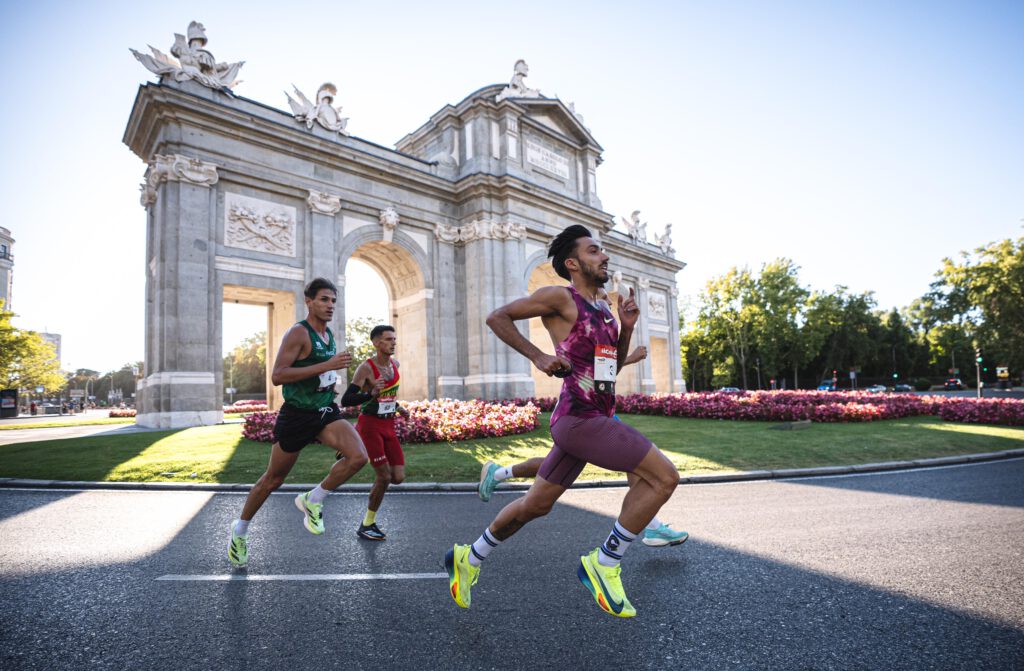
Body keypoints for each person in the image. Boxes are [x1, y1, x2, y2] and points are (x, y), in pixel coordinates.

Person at [445, 225, 681, 618]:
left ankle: (469, 557)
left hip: (593, 415)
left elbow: (609, 368)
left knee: (535, 505)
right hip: (580, 418)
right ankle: (605, 563)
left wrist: (628, 328)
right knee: (663, 477)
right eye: (594, 251)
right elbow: (497, 317)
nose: (603, 256)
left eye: (602, 250)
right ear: (573, 263)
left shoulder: (605, 307)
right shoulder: (560, 298)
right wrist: (538, 356)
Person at [476, 343, 689, 549]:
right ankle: (648, 530)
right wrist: (631, 356)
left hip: (590, 414)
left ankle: (498, 475)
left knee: (553, 475)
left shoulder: (600, 321)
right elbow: (596, 371)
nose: (609, 303)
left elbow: (603, 372)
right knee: (638, 462)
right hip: (582, 415)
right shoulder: (588, 323)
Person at [228, 277, 369, 568]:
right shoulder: (298, 333)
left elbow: (318, 375)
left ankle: (313, 499)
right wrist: (327, 366)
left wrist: (329, 385)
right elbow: (278, 375)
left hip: (323, 411)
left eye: (333, 300)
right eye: (324, 300)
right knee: (273, 480)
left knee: (358, 457)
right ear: (309, 301)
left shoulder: (328, 335)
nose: (330, 305)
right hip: (296, 415)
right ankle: (239, 530)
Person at [340, 325, 410, 541]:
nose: (393, 343)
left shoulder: (395, 364)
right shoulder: (366, 369)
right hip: (370, 424)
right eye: (388, 339)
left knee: (398, 477)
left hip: (388, 425)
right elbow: (346, 400)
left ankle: (353, 442)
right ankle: (367, 524)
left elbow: (388, 395)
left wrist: (398, 407)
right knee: (384, 475)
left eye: (394, 339)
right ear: (376, 343)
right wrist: (370, 393)